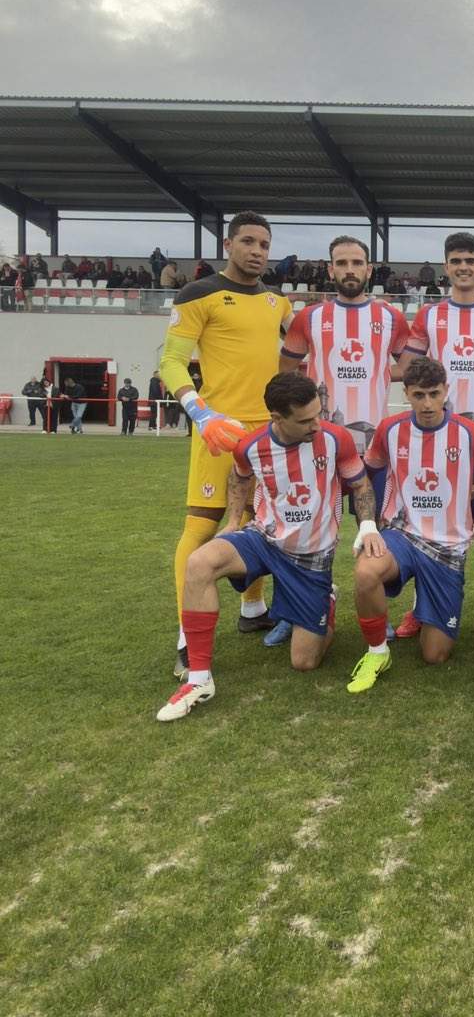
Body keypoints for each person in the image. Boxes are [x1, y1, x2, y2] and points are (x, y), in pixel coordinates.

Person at [155, 373, 371, 720]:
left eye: (318, 414)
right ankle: (198, 679)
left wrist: (368, 527)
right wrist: (231, 522)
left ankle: (325, 601)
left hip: (311, 556)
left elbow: (360, 486)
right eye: (305, 420)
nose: (316, 424)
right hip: (264, 538)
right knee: (199, 562)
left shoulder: (336, 438)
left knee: (304, 662)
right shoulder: (250, 446)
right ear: (277, 418)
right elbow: (240, 476)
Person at [348, 357, 474, 690]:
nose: (427, 403)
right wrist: (368, 525)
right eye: (419, 394)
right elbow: (364, 477)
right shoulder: (389, 430)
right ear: (406, 393)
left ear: (446, 391)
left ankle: (425, 609)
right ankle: (377, 652)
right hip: (402, 535)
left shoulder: (469, 433)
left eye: (434, 394)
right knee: (366, 570)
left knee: (435, 654)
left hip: (448, 547)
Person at [158, 211, 295, 677]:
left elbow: (296, 355)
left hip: (270, 433)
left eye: (264, 244)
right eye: (249, 242)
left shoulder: (279, 302)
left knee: (262, 523)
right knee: (202, 524)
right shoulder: (198, 293)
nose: (257, 251)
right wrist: (201, 412)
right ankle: (185, 632)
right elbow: (171, 362)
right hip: (220, 430)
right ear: (228, 243)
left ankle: (253, 610)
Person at [398, 232, 474, 641]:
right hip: (433, 437)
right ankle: (419, 606)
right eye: (456, 260)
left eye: (470, 260)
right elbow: (409, 366)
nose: (463, 267)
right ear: (446, 267)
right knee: (422, 526)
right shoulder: (429, 316)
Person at [280, 235, 410, 458]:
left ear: (368, 270)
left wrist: (376, 371)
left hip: (374, 437)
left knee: (368, 494)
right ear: (331, 270)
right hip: (318, 437)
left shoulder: (392, 317)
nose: (350, 269)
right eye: (341, 263)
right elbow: (285, 372)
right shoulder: (309, 317)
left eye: (357, 263)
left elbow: (408, 368)